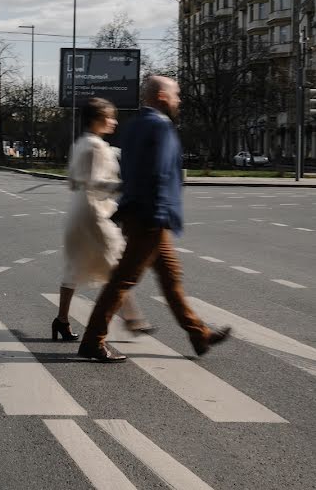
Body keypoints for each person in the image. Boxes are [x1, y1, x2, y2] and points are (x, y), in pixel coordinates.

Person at [78, 76, 231, 362]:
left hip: (140, 211)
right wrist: (159, 214)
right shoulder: (161, 126)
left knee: (171, 279)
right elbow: (159, 173)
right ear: (162, 96)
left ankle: (199, 334)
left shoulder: (134, 125)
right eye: (176, 94)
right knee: (123, 280)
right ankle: (92, 340)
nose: (179, 100)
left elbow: (128, 169)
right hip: (151, 215)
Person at [52, 98, 152, 341]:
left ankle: (61, 320)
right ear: (97, 119)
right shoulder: (95, 147)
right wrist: (125, 186)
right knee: (116, 264)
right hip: (94, 211)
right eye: (110, 117)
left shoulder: (82, 143)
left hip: (79, 209)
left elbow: (73, 181)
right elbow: (94, 182)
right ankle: (132, 318)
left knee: (75, 266)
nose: (114, 121)